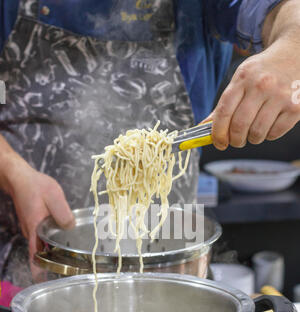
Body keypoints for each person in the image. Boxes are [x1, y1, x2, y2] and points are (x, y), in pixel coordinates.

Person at [0, 0, 300, 286]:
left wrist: (291, 50)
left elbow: (284, 9)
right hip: (28, 260)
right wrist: (14, 171)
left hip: (172, 263)